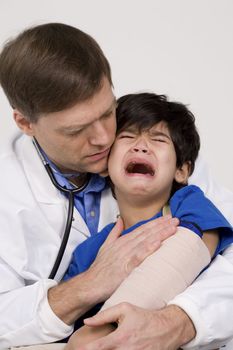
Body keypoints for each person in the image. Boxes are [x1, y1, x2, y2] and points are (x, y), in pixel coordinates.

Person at [0, 22, 232, 350]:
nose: (104, 138)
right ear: (25, 123)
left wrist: (180, 321)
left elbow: (223, 244)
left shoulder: (158, 147)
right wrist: (90, 285)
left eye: (108, 112)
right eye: (75, 130)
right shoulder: (6, 193)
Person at [63, 92, 232, 348]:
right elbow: (72, 321)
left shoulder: (187, 204)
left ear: (182, 170)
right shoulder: (90, 252)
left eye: (158, 139)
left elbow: (198, 243)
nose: (141, 146)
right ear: (106, 164)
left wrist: (105, 332)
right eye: (128, 137)